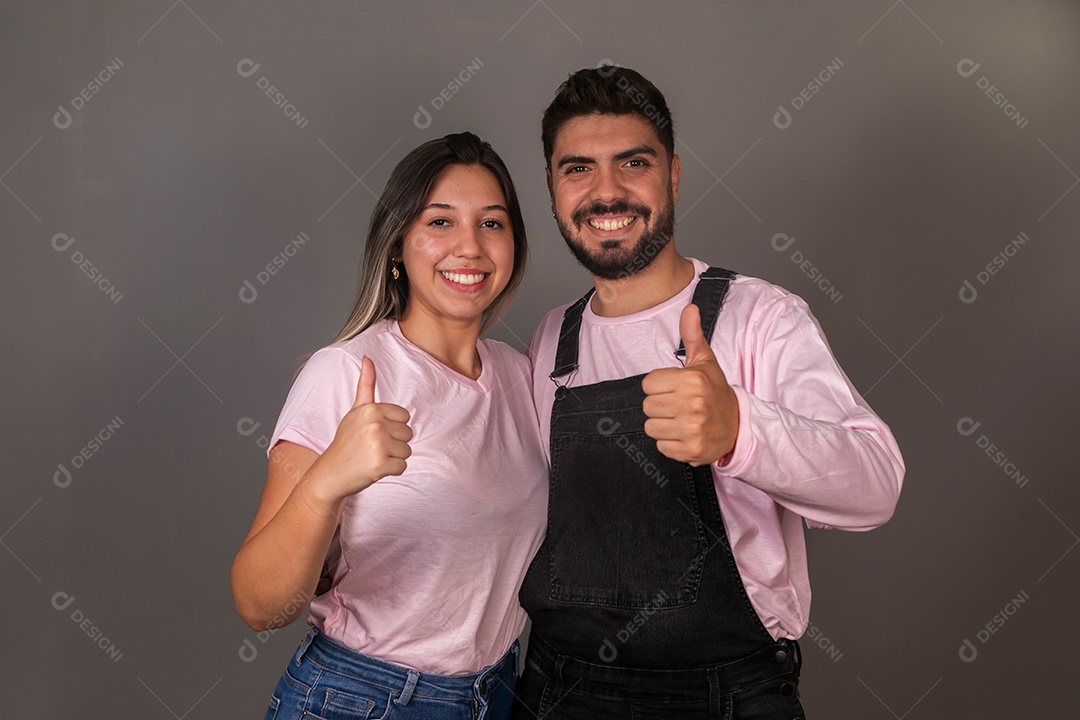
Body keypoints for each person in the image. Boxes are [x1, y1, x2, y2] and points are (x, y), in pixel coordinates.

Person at [513, 67, 905, 719]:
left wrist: (739, 431)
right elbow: (518, 518)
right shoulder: (553, 339)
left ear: (672, 174)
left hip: (725, 696)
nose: (605, 192)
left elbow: (875, 486)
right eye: (578, 168)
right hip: (560, 689)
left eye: (632, 162)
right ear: (553, 190)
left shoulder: (760, 317)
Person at [231, 132, 547, 720]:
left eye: (492, 223)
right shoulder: (347, 372)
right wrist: (326, 482)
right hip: (365, 699)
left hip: (497, 692)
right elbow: (259, 604)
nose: (470, 247)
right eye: (440, 222)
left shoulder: (523, 376)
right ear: (399, 244)